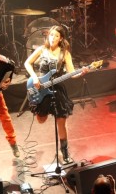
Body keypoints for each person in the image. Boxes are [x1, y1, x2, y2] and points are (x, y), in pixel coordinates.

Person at [24, 25, 88, 163]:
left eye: (56, 36)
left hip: (57, 88)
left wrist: (81, 73)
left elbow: (72, 74)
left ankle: (64, 152)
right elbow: (27, 63)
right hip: (41, 86)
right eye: (51, 35)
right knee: (41, 120)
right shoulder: (42, 49)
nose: (52, 38)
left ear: (61, 38)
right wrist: (34, 77)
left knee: (61, 120)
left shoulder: (64, 53)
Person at [0, 39, 20, 158]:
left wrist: (6, 81)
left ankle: (13, 143)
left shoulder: (3, 62)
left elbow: (8, 74)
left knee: (5, 117)